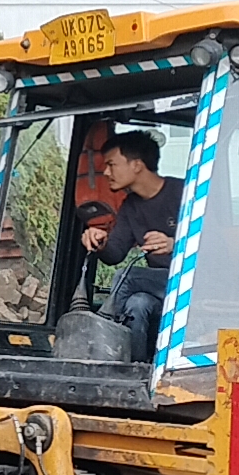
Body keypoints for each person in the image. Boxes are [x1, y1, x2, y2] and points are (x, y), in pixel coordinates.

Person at [79, 130, 184, 362]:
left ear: (137, 165)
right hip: (161, 290)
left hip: (193, 285)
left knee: (127, 277)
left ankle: (100, 330)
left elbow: (218, 247)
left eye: (111, 164)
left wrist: (175, 245)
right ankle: (134, 366)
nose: (106, 172)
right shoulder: (130, 206)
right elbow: (115, 254)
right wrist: (101, 241)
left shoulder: (184, 192)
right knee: (138, 303)